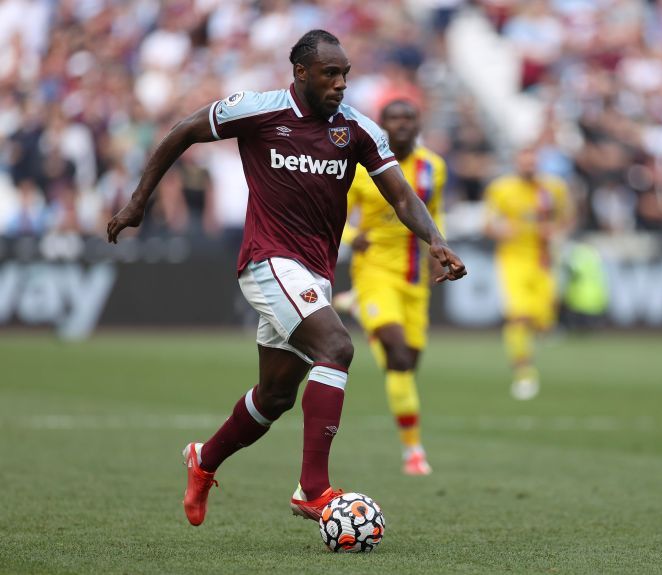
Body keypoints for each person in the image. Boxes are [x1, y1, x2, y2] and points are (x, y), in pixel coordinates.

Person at [106, 29, 466, 527]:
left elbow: (402, 196)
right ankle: (312, 491)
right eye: (330, 73)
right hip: (267, 259)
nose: (340, 84)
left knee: (274, 396)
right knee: (337, 348)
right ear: (301, 72)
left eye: (345, 74)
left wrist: (436, 240)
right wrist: (138, 199)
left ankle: (203, 459)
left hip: (313, 273)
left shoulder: (357, 129)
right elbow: (185, 129)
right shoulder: (258, 110)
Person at [339, 99, 446, 476]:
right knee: (398, 356)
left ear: (417, 123)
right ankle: (413, 451)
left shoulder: (434, 167)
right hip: (374, 272)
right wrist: (353, 237)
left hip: (414, 279)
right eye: (394, 118)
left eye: (409, 118)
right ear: (381, 125)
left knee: (407, 365)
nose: (402, 124)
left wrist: (439, 245)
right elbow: (335, 216)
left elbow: (435, 211)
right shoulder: (361, 169)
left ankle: (359, 311)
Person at [484, 144, 573, 400]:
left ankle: (540, 333)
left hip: (544, 261)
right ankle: (524, 372)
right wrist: (501, 230)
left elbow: (567, 216)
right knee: (518, 316)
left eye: (532, 163)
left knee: (543, 320)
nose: (528, 168)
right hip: (513, 260)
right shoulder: (501, 189)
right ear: (516, 164)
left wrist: (556, 230)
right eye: (524, 163)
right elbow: (488, 224)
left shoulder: (553, 188)